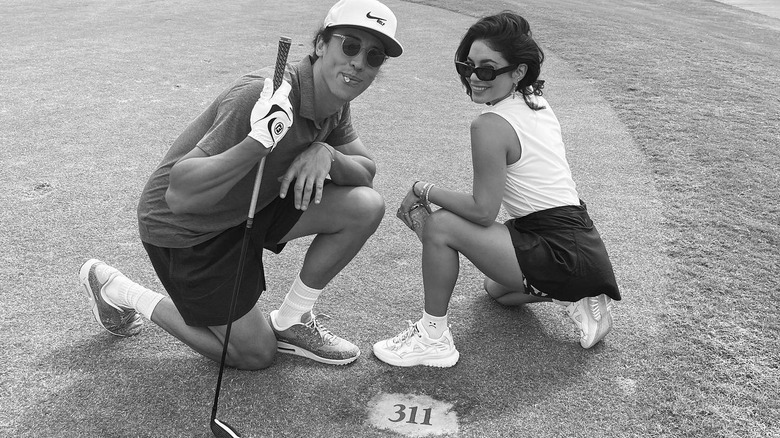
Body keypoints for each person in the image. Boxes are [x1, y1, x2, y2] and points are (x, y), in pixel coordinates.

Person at [78, 0, 403, 370]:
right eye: (350, 46)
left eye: (374, 56)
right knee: (255, 355)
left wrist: (327, 152)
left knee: (365, 205)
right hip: (188, 231)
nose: (359, 62)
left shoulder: (335, 101)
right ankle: (118, 288)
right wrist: (257, 144)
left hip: (253, 207)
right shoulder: (259, 95)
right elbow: (179, 194)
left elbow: (365, 174)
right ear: (320, 46)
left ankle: (292, 319)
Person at [372, 11, 621, 368]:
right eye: (467, 65)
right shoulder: (535, 100)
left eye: (487, 69)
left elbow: (482, 211)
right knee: (497, 292)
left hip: (557, 248)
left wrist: (422, 189)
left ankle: (433, 337)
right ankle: (579, 292)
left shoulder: (489, 124)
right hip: (579, 239)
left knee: (441, 226)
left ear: (518, 71)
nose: (474, 77)